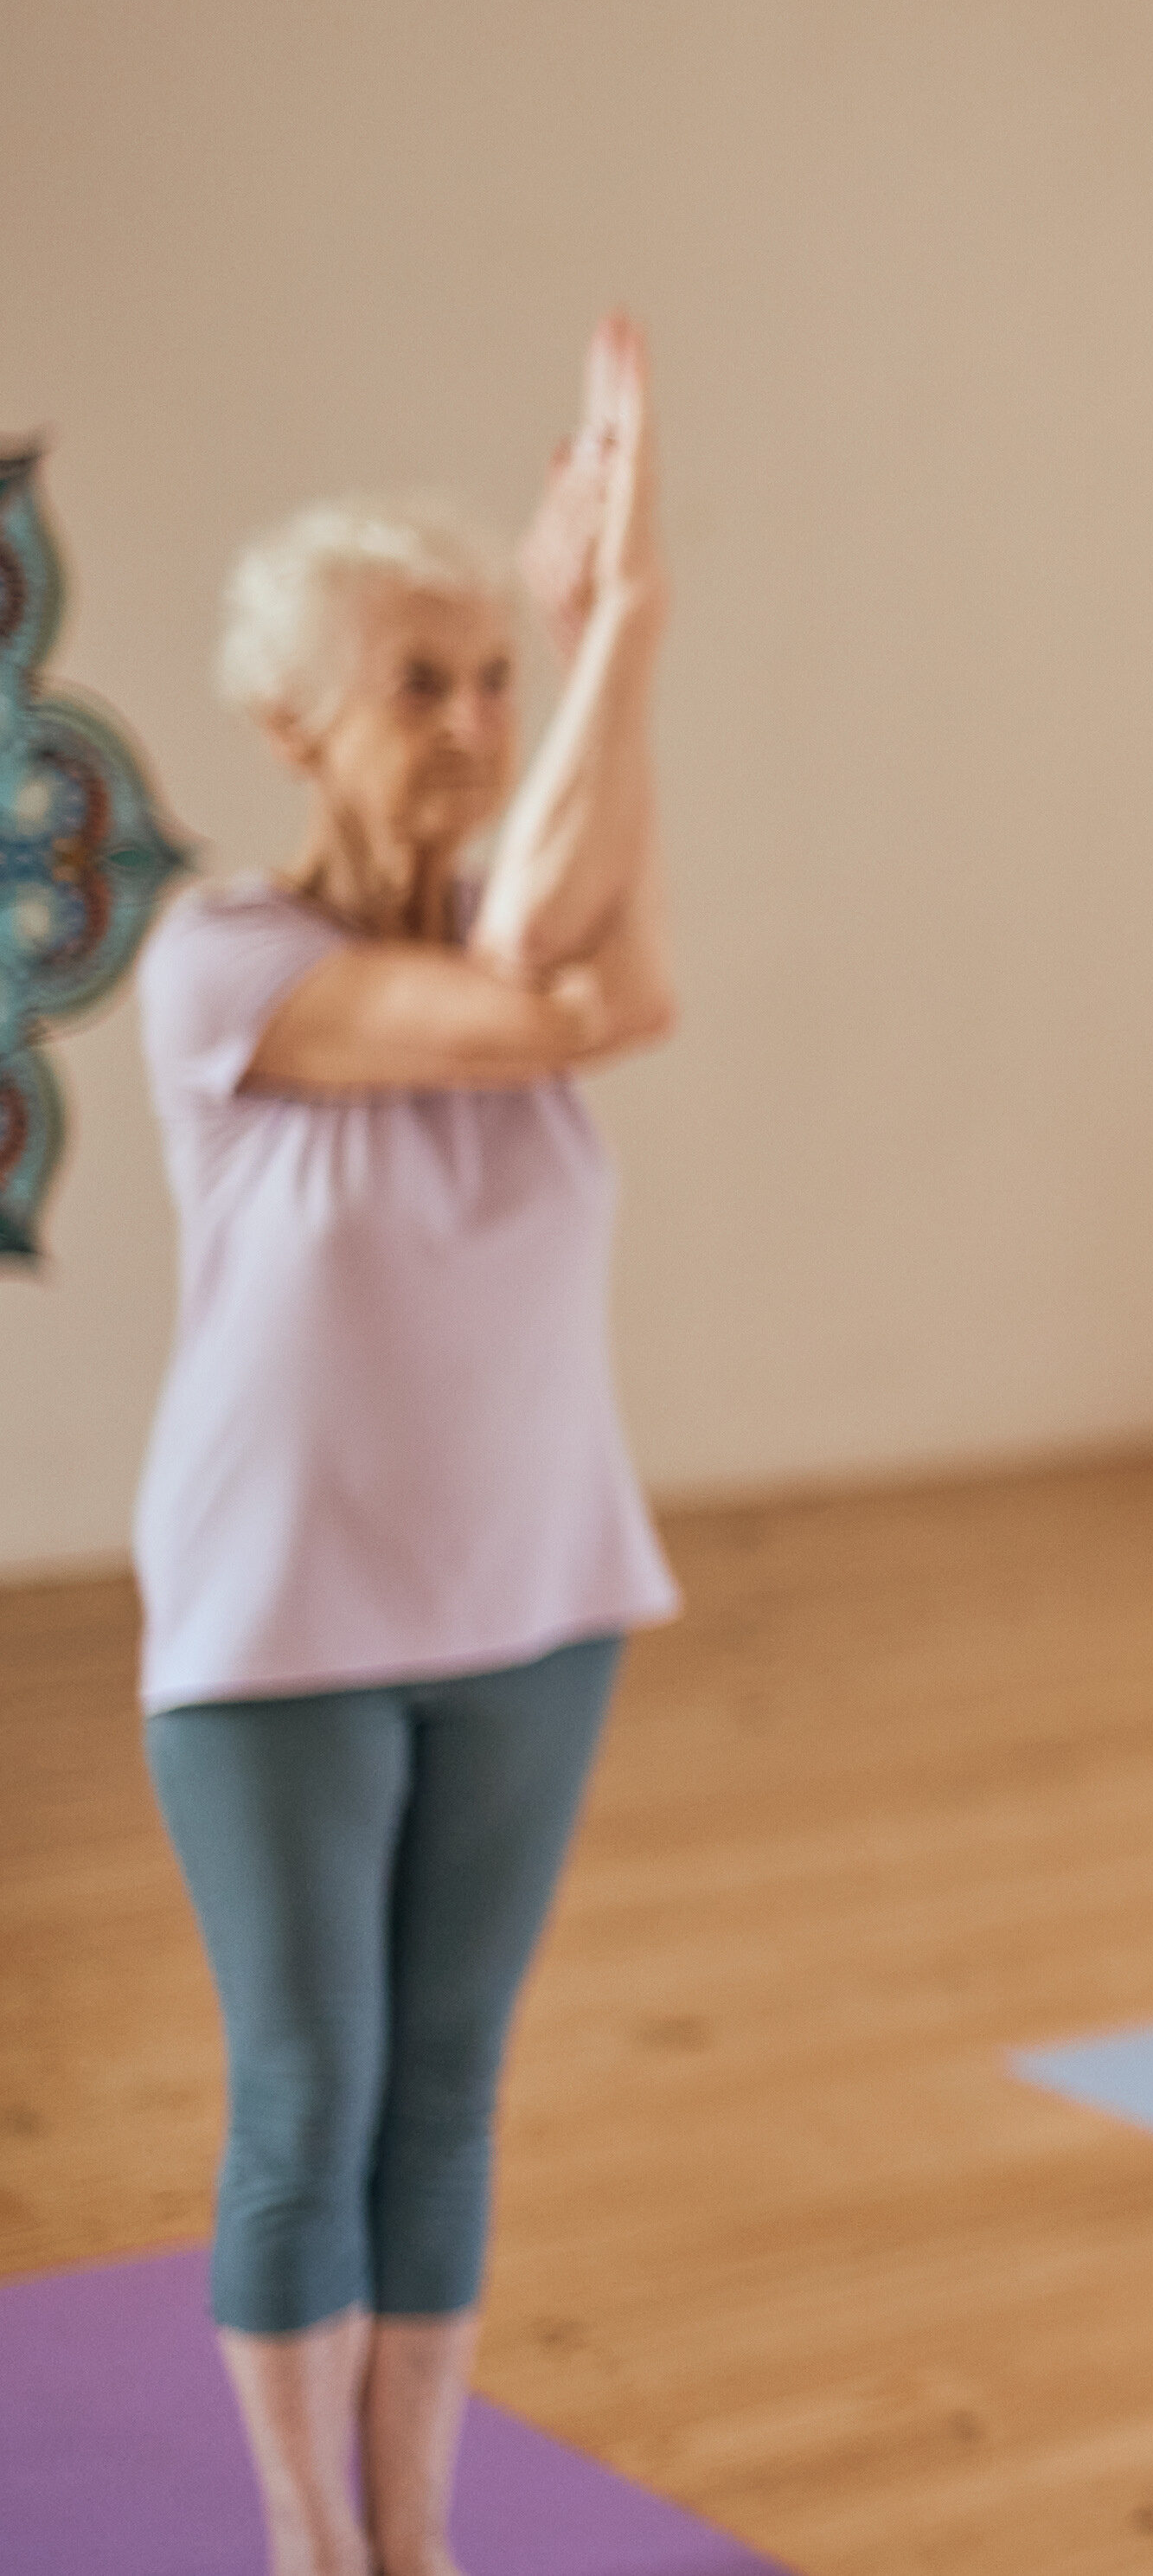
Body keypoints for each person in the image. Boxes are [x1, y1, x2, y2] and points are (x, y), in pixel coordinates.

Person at [134, 314, 680, 2576]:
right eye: (417, 683)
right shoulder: (222, 961)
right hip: (283, 1626)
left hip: (537, 1601)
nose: (472, 720)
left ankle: (421, 2537)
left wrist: (613, 644)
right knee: (306, 2106)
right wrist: (626, 618)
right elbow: (550, 988)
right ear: (289, 723)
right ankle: (307, 2542)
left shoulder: (518, 926)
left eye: (494, 675)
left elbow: (609, 982)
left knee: (445, 2092)